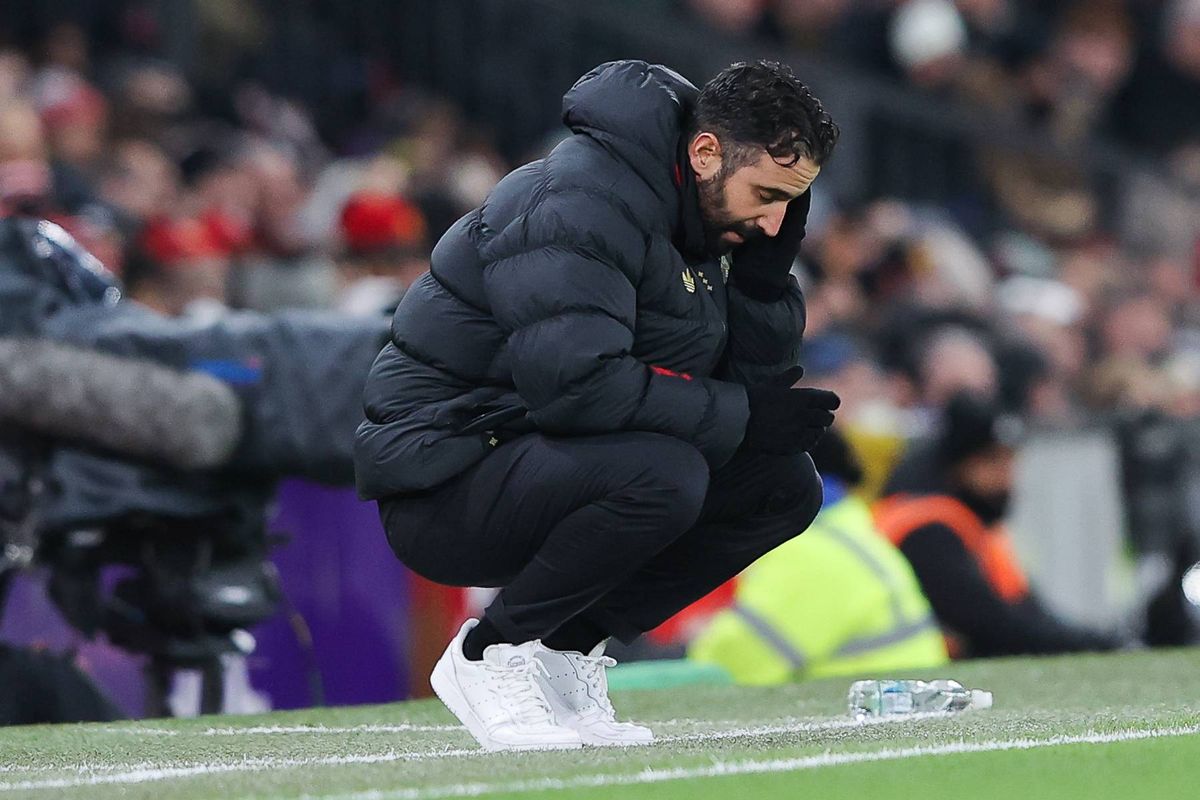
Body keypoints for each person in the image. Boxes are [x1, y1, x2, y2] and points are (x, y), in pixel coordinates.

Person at [355, 60, 841, 751]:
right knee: (667, 473)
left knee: (783, 484)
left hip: (542, 456)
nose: (774, 220)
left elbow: (730, 387)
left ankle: (564, 650)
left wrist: (763, 288)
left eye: (791, 202)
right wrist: (744, 414)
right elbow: (577, 388)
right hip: (444, 479)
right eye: (766, 194)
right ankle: (488, 653)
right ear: (706, 152)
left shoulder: (698, 215)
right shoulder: (576, 201)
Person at [688, 429, 948, 684]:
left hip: (867, 701)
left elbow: (732, 666)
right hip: (886, 696)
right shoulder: (839, 530)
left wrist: (680, 651)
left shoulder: (808, 553)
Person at [876, 392, 1124, 658]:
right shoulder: (926, 527)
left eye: (1011, 460)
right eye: (992, 460)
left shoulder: (973, 520)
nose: (1007, 476)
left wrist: (1092, 639)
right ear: (961, 463)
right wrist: (1096, 643)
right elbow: (991, 624)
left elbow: (1025, 608)